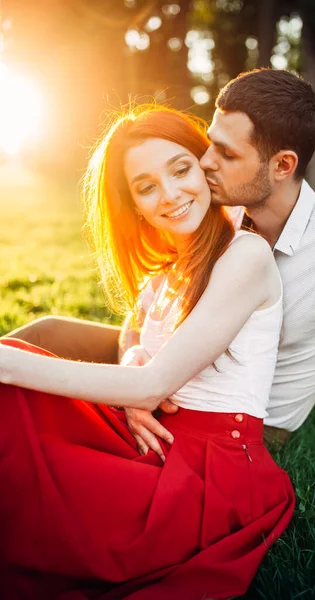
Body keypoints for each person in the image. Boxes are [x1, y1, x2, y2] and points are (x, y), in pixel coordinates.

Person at [0, 106, 295, 600]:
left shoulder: (246, 255)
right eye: (146, 186)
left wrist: (7, 362)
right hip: (152, 439)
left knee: (11, 380)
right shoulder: (164, 275)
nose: (171, 194)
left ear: (205, 164)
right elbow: (134, 350)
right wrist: (135, 363)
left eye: (180, 170)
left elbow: (155, 385)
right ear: (134, 204)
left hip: (210, 472)